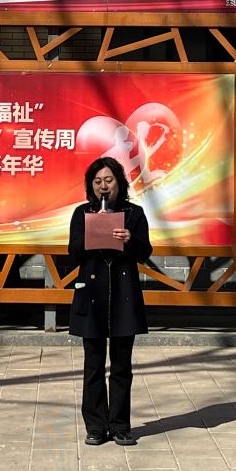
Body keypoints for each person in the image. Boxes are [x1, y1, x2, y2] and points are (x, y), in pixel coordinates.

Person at [68, 156, 153, 447]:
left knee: (121, 365)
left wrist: (129, 239)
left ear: (119, 182)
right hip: (91, 296)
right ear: (91, 186)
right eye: (97, 181)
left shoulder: (134, 213)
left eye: (108, 180)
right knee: (93, 365)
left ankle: (120, 426)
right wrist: (93, 232)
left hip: (123, 297)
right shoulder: (82, 213)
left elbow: (145, 251)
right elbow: (73, 252)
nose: (103, 186)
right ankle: (95, 426)